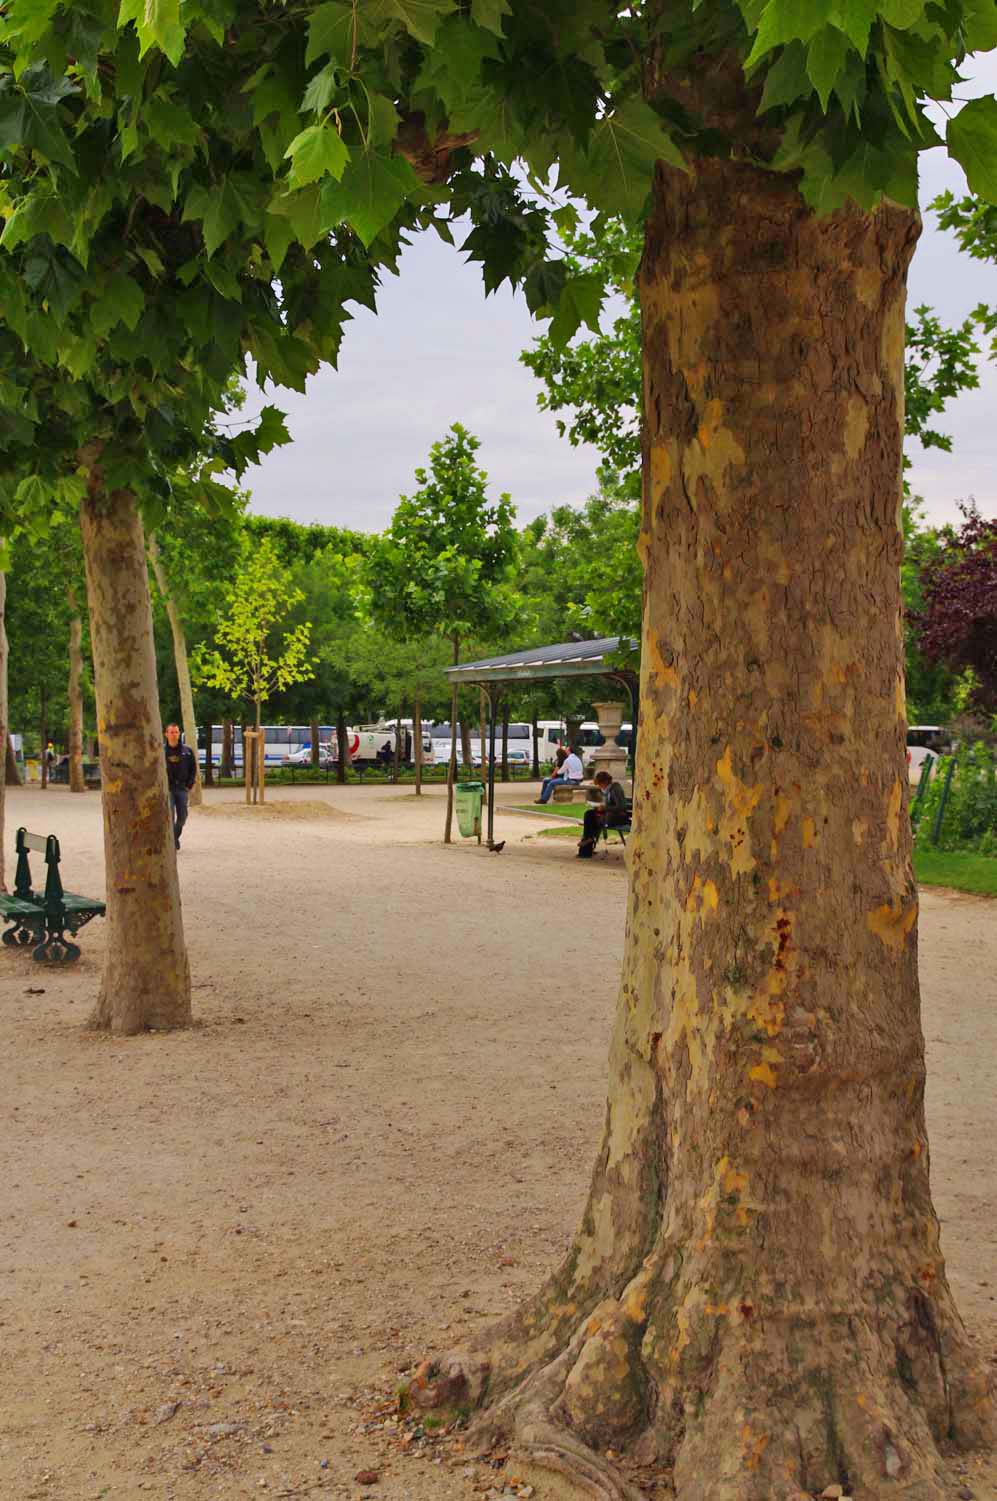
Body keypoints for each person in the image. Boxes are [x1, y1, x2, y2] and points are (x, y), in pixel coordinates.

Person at [577, 770, 629, 858]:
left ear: (605, 782)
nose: (600, 787)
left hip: (618, 817)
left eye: (600, 784)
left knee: (592, 820)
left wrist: (605, 808)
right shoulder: (608, 790)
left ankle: (588, 841)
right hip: (609, 815)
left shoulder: (615, 789)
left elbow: (621, 807)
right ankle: (588, 839)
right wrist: (599, 808)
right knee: (589, 814)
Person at [164, 722, 197, 850]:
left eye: (176, 732)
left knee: (182, 817)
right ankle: (172, 843)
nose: (174, 734)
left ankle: (174, 837)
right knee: (170, 816)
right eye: (171, 732)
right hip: (168, 789)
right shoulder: (161, 751)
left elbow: (193, 769)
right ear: (166, 734)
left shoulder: (187, 751)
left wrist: (190, 784)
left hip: (182, 788)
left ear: (179, 734)